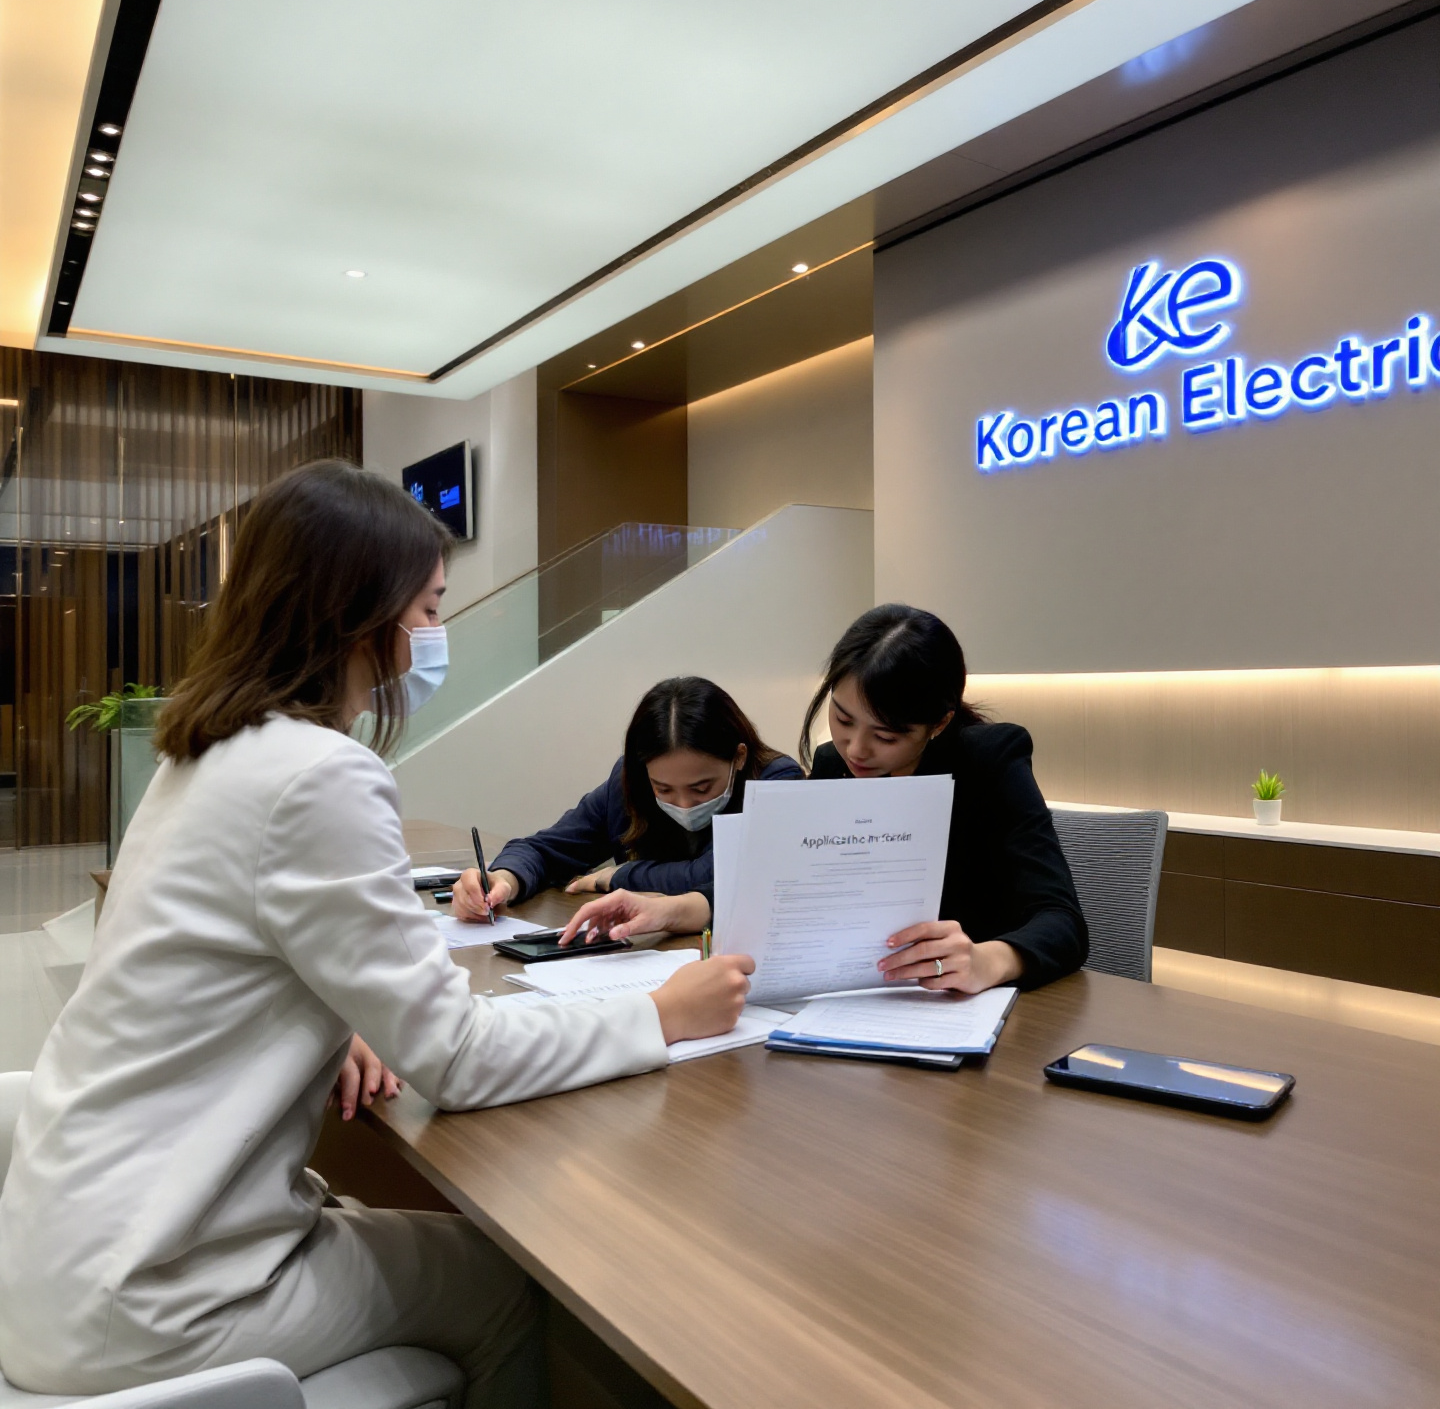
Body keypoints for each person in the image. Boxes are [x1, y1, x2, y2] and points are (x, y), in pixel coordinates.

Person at [0, 461, 752, 1407]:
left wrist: (334, 1013)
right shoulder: (320, 772)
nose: (437, 632)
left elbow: (223, 962)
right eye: (430, 607)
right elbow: (459, 1058)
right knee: (510, 1284)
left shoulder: (201, 756)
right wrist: (662, 1014)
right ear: (363, 615)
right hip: (156, 1293)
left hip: (60, 1257)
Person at [804, 603, 1086, 992]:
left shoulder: (989, 762)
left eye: (885, 736)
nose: (855, 749)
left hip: (967, 1002)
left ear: (939, 723)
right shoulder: (831, 765)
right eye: (842, 719)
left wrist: (989, 960)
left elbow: (1063, 923)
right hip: (862, 991)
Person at [452, 676, 801, 927]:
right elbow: (546, 848)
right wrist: (504, 879)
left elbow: (721, 876)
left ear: (738, 757)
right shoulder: (628, 782)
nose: (683, 804)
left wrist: (619, 876)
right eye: (663, 789)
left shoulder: (778, 782)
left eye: (701, 788)